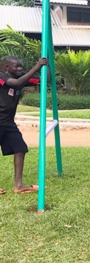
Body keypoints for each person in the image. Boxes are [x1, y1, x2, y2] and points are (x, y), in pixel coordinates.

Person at [0, 56, 48, 194]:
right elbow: (15, 83)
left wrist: (47, 64)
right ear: (7, 67)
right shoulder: (2, 76)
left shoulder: (21, 77)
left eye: (21, 66)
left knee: (20, 148)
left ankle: (19, 185)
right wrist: (37, 65)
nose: (20, 69)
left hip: (8, 123)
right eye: (16, 66)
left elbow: (45, 79)